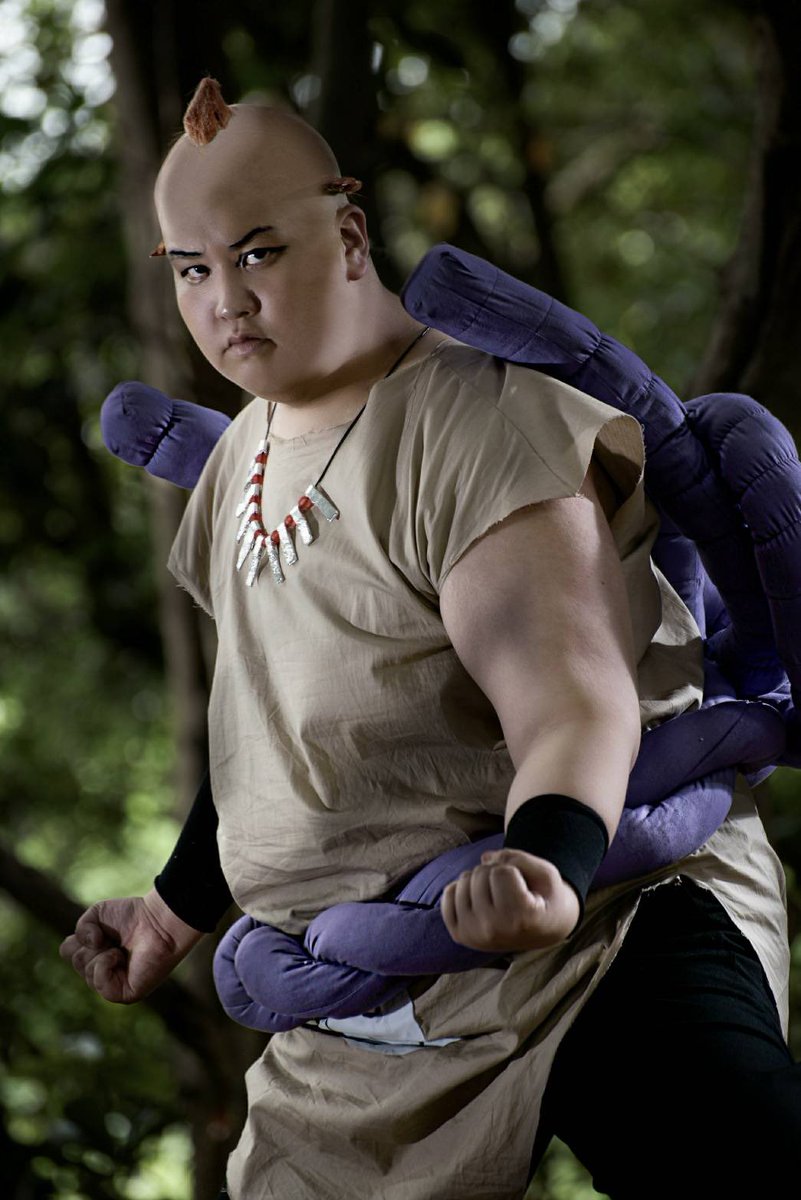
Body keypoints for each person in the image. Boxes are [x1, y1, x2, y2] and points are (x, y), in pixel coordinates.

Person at [60, 79, 800, 1199]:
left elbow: (571, 698)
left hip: (598, 924)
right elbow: (274, 736)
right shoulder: (238, 462)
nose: (226, 301)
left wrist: (548, 863)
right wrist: (171, 912)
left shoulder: (477, 421)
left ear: (350, 237)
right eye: (193, 269)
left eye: (258, 253)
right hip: (364, 995)